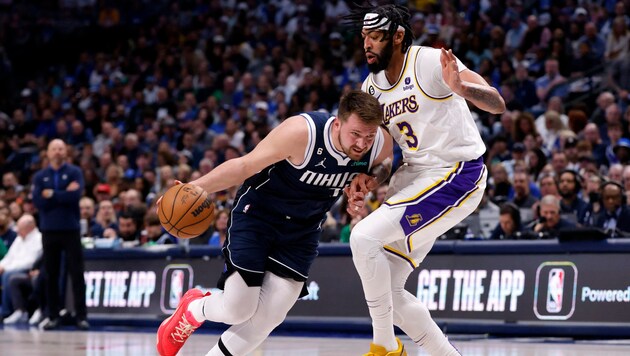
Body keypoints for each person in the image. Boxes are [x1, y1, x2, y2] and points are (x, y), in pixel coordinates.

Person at [155, 90, 393, 356]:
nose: (362, 144)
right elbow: (245, 166)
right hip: (258, 214)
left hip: (303, 229)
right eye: (356, 134)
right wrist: (194, 187)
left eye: (368, 136)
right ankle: (192, 309)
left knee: (270, 316)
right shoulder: (302, 132)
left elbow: (386, 161)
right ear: (338, 123)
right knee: (238, 309)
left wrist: (370, 181)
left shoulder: (379, 142)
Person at [343, 4, 505, 355]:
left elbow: (497, 103)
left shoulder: (430, 61)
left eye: (376, 37)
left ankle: (383, 346)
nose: (367, 45)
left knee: (363, 237)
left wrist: (462, 89)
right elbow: (387, 150)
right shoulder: (371, 87)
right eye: (364, 37)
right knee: (389, 289)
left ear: (398, 37)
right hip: (415, 176)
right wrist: (371, 176)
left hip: (457, 172)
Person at [31, 139, 89, 330]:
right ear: (47, 153)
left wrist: (52, 194)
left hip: (70, 229)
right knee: (51, 274)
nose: (57, 152)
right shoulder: (40, 176)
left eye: (61, 148)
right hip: (49, 230)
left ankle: (81, 316)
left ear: (66, 152)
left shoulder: (74, 172)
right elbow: (39, 202)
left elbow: (75, 195)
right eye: (54, 148)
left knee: (76, 273)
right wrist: (63, 193)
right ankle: (53, 315)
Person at [0, 214, 42, 323]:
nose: (17, 231)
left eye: (20, 228)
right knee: (5, 273)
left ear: (29, 228)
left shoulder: (38, 239)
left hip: (28, 270)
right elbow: (9, 257)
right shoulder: (19, 239)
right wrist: (2, 265)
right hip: (12, 268)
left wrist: (7, 268)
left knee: (8, 275)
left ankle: (6, 311)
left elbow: (30, 262)